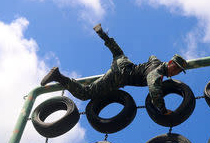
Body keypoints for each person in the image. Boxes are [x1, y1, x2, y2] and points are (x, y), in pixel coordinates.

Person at [40, 24, 188, 115]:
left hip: (124, 63)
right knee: (86, 93)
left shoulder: (157, 62)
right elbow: (153, 88)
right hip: (120, 75)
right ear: (170, 63)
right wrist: (162, 110)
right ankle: (58, 76)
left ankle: (102, 34)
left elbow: (152, 57)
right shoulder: (157, 73)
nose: (176, 72)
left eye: (179, 71)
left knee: (118, 53)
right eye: (176, 68)